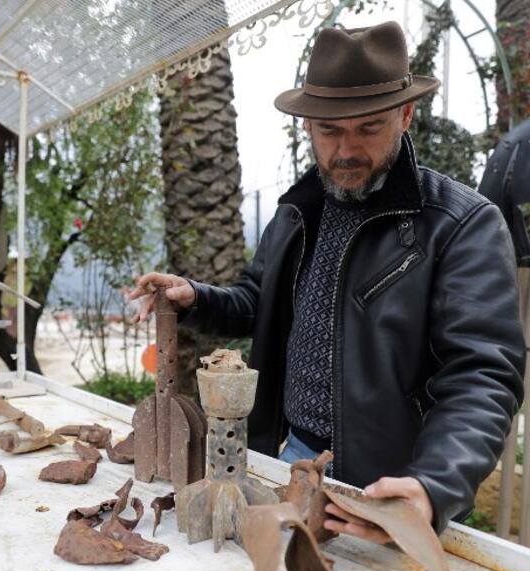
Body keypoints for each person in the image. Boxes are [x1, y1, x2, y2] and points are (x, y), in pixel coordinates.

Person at [130, 21, 525, 542]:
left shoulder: (462, 225)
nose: (346, 150)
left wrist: (433, 486)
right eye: (330, 130)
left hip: (390, 489)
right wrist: (196, 298)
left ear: (405, 115)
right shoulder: (297, 212)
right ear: (308, 126)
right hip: (289, 459)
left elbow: (483, 374)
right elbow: (259, 302)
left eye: (369, 128)